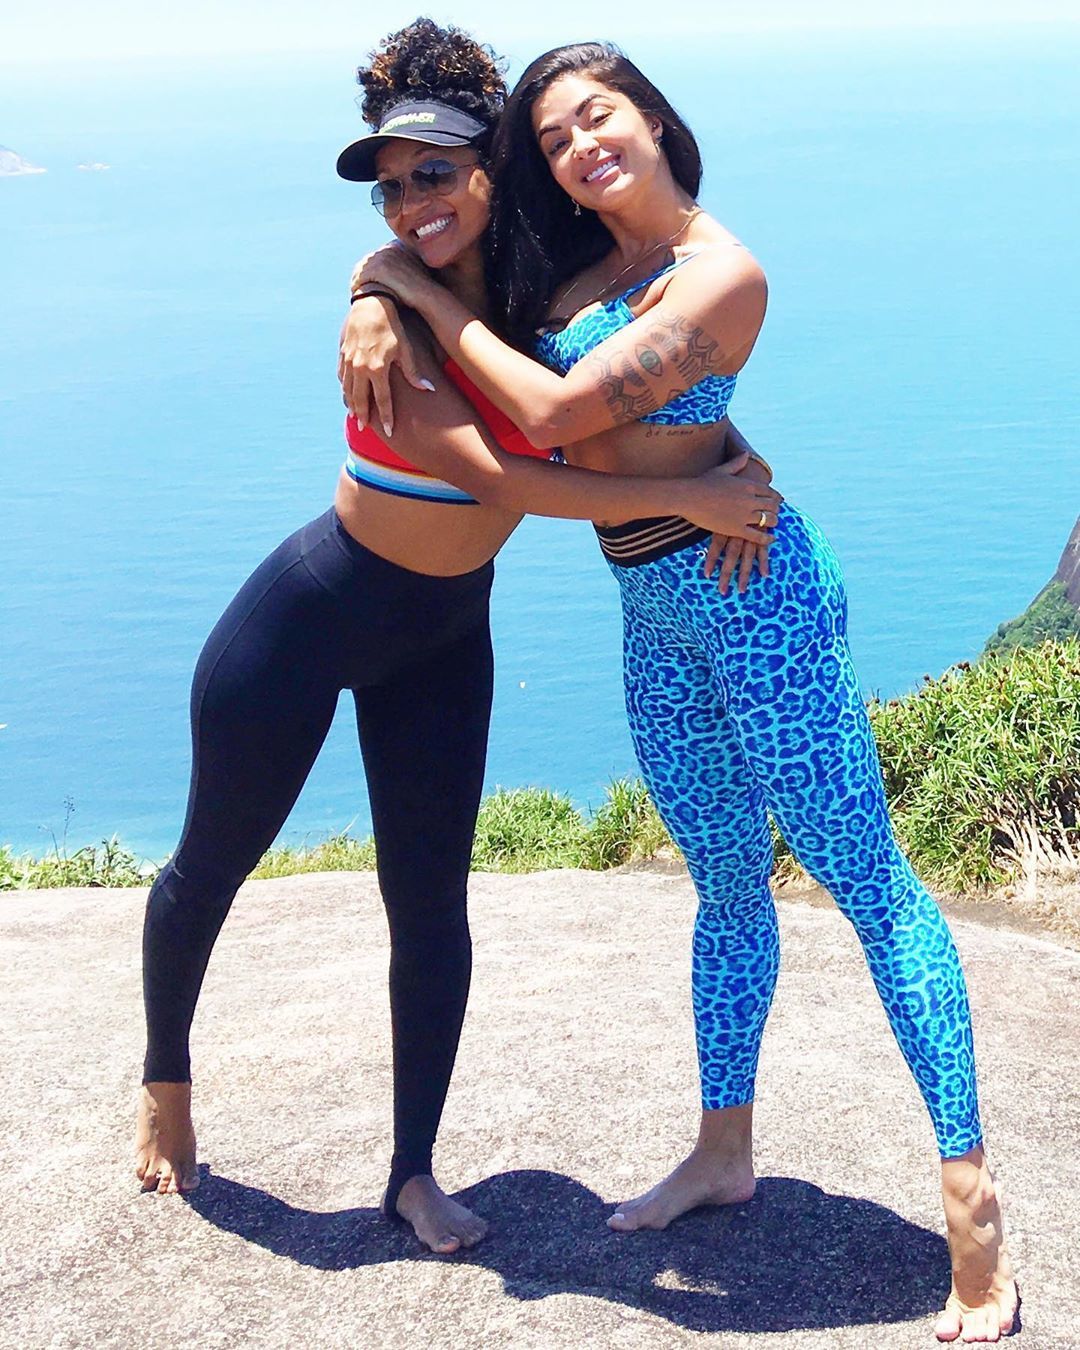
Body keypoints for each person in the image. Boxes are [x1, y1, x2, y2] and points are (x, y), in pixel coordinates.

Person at [349, 41, 1018, 1342]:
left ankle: (971, 1204)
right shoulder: (573, 265)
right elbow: (435, 242)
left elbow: (557, 413)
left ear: (654, 119)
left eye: (599, 117)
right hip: (653, 613)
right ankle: (723, 1150)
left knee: (870, 887)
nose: (580, 148)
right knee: (723, 887)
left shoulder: (725, 273)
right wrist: (371, 295)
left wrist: (402, 290)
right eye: (553, 139)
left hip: (759, 603)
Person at [135, 20, 781, 1258]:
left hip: (444, 636)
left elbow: (634, 394)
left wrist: (728, 455)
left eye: (433, 173)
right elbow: (504, 476)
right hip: (311, 614)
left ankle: (412, 1173)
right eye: (389, 188)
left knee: (430, 903)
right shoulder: (400, 320)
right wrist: (692, 498)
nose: (410, 203)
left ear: (493, 168)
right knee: (208, 866)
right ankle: (166, 1079)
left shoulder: (546, 299)